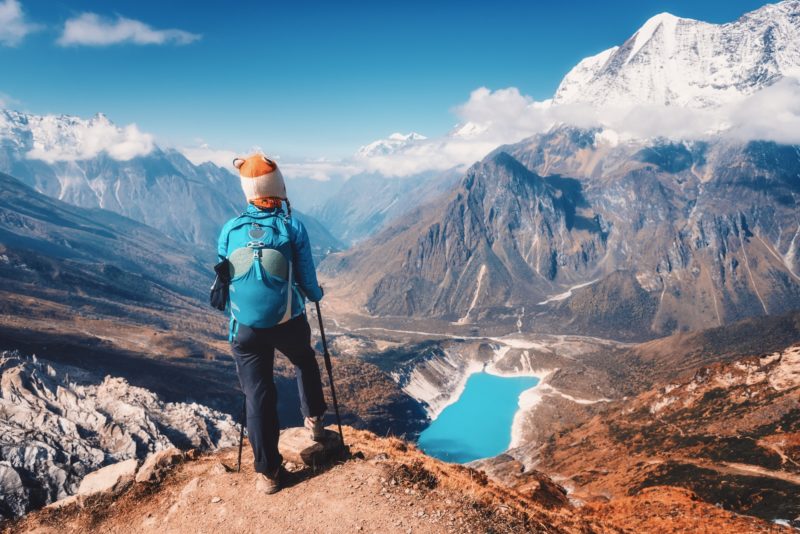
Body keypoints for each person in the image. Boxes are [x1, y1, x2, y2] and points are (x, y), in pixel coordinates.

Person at [214, 154, 327, 495]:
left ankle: (268, 473)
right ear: (279, 188)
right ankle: (315, 421)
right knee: (305, 360)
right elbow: (306, 280)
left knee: (257, 394)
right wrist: (316, 294)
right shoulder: (291, 228)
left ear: (247, 190)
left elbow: (224, 272)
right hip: (287, 320)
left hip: (245, 329)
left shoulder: (230, 229)